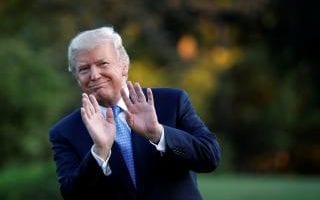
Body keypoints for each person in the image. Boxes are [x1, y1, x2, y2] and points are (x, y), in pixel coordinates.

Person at [49, 26, 221, 200]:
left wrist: (158, 134)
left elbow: (209, 157)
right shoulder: (65, 131)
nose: (94, 75)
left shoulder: (171, 102)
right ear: (77, 78)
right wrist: (99, 152)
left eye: (103, 64)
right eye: (84, 69)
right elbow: (72, 195)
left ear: (124, 66)